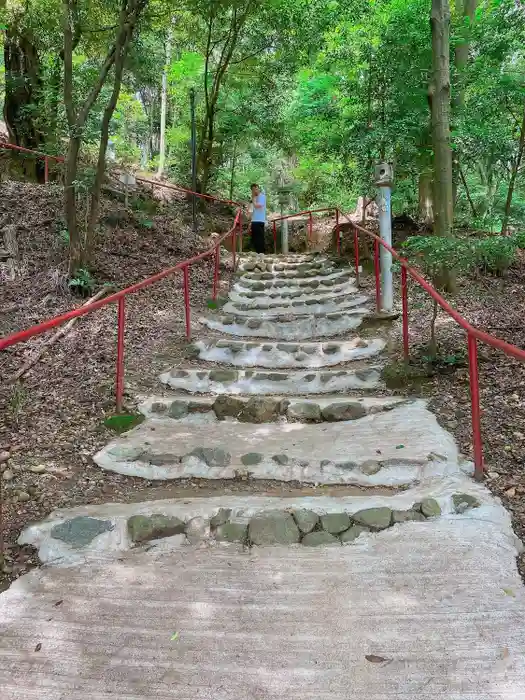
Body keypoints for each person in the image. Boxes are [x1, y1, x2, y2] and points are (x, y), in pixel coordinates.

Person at [250, 183, 266, 254]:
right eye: (253, 190)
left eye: (256, 189)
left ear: (258, 188)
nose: (255, 191)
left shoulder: (262, 196)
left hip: (260, 220)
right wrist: (250, 220)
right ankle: (257, 253)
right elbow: (252, 210)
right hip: (254, 220)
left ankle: (261, 253)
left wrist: (253, 199)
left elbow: (258, 206)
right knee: (255, 238)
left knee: (260, 238)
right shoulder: (254, 198)